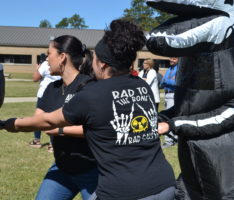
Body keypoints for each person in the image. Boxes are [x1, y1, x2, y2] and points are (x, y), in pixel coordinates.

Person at [1, 19, 175, 200]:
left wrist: (10, 123)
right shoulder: (142, 86)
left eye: (95, 59)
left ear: (103, 64)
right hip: (164, 184)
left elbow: (47, 121)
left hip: (124, 191)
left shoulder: (92, 95)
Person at [9, 35, 98, 200]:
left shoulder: (89, 86)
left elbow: (95, 129)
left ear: (62, 57)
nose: (46, 60)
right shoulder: (52, 87)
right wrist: (12, 124)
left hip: (92, 170)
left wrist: (59, 130)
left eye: (48, 54)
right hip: (62, 167)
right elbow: (39, 119)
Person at [29, 56, 61, 152]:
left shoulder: (45, 64)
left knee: (38, 118)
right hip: (58, 94)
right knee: (54, 119)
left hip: (44, 94)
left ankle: (37, 140)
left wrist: (37, 69)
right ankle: (52, 144)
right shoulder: (62, 63)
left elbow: (35, 78)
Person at [160, 57, 178, 148]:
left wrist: (166, 81)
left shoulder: (179, 69)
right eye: (171, 58)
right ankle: (173, 139)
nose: (171, 60)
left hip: (173, 94)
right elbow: (162, 82)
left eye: (174, 59)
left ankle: (169, 140)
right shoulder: (169, 69)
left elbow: (176, 83)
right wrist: (167, 81)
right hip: (167, 94)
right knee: (171, 117)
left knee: (169, 118)